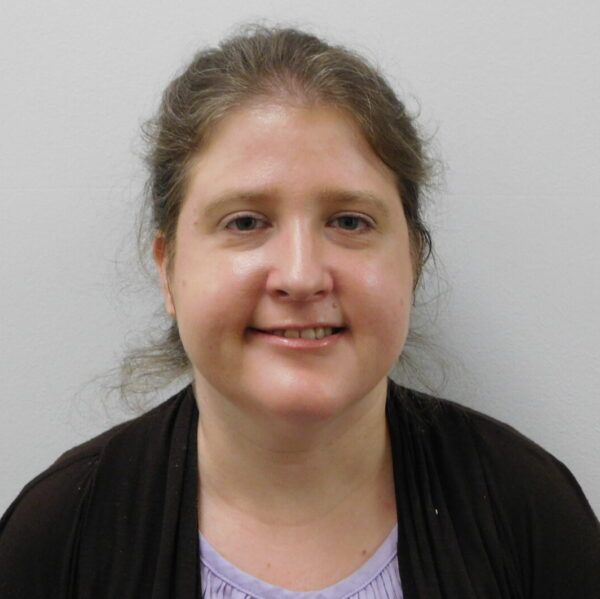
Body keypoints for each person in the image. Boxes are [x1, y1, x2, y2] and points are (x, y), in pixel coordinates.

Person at [1, 23, 599, 599]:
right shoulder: (57, 537)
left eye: (349, 221)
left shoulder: (528, 508)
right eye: (245, 222)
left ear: (412, 260)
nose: (301, 276)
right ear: (168, 267)